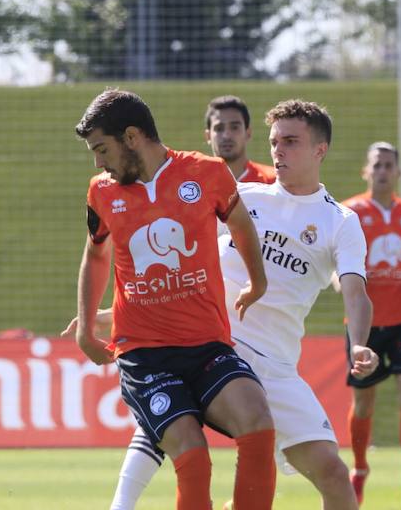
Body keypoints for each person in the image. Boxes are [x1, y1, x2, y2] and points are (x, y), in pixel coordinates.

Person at [73, 99, 378, 510]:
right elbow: (170, 245)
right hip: (216, 341)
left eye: (291, 142)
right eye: (274, 142)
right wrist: (122, 310)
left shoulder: (340, 222)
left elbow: (355, 291)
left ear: (320, 149)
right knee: (176, 429)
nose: (278, 151)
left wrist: (358, 343)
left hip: (275, 364)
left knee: (334, 474)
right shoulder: (244, 194)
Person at [74, 88, 277, 510]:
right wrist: (86, 326)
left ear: (132, 137)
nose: (98, 162)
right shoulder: (102, 192)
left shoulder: (206, 173)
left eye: (101, 149)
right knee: (193, 455)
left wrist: (257, 282)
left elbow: (240, 224)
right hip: (144, 355)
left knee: (257, 422)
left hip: (207, 346)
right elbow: (95, 254)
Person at [341, 142, 401, 507]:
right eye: (376, 165)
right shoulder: (350, 212)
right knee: (364, 403)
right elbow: (337, 256)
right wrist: (339, 278)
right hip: (366, 323)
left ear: (397, 173)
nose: (382, 171)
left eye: (389, 165)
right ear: (367, 171)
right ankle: (360, 469)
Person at [204, 95, 276, 183]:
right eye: (219, 128)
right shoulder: (197, 184)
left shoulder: (273, 182)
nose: (226, 135)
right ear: (208, 136)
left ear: (248, 133)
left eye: (234, 127)